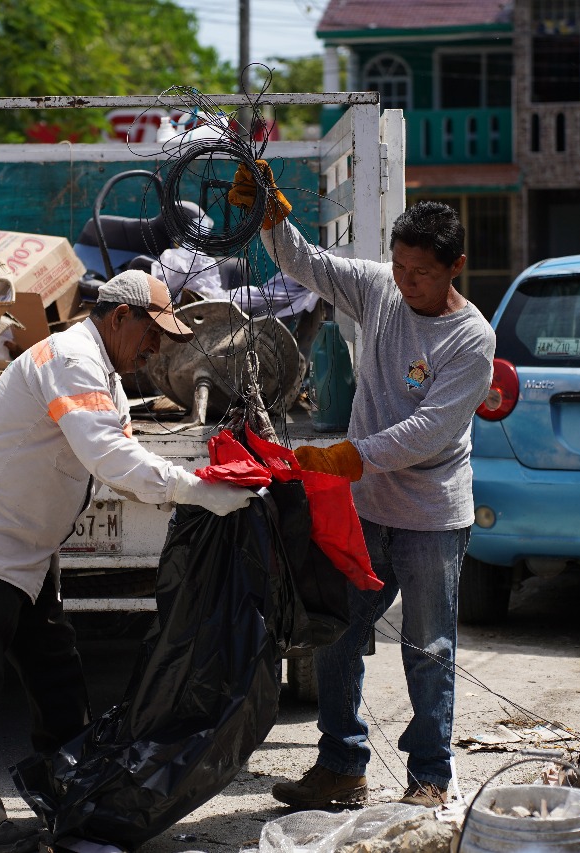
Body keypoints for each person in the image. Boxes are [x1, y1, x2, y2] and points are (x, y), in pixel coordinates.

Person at [0, 270, 254, 853]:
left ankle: (74, 790)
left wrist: (192, 490)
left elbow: (117, 465)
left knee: (55, 670)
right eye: (152, 334)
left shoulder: (103, 373)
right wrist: (193, 488)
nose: (156, 349)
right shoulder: (72, 359)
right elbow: (110, 456)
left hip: (23, 546)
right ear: (119, 317)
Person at [229, 164, 496, 808]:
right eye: (399, 266)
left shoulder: (471, 340)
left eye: (421, 273)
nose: (406, 281)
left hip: (431, 517)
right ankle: (342, 765)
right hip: (367, 511)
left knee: (428, 649)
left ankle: (429, 777)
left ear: (455, 267)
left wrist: (349, 456)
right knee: (335, 634)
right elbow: (307, 265)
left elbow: (427, 432)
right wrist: (271, 218)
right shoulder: (379, 290)